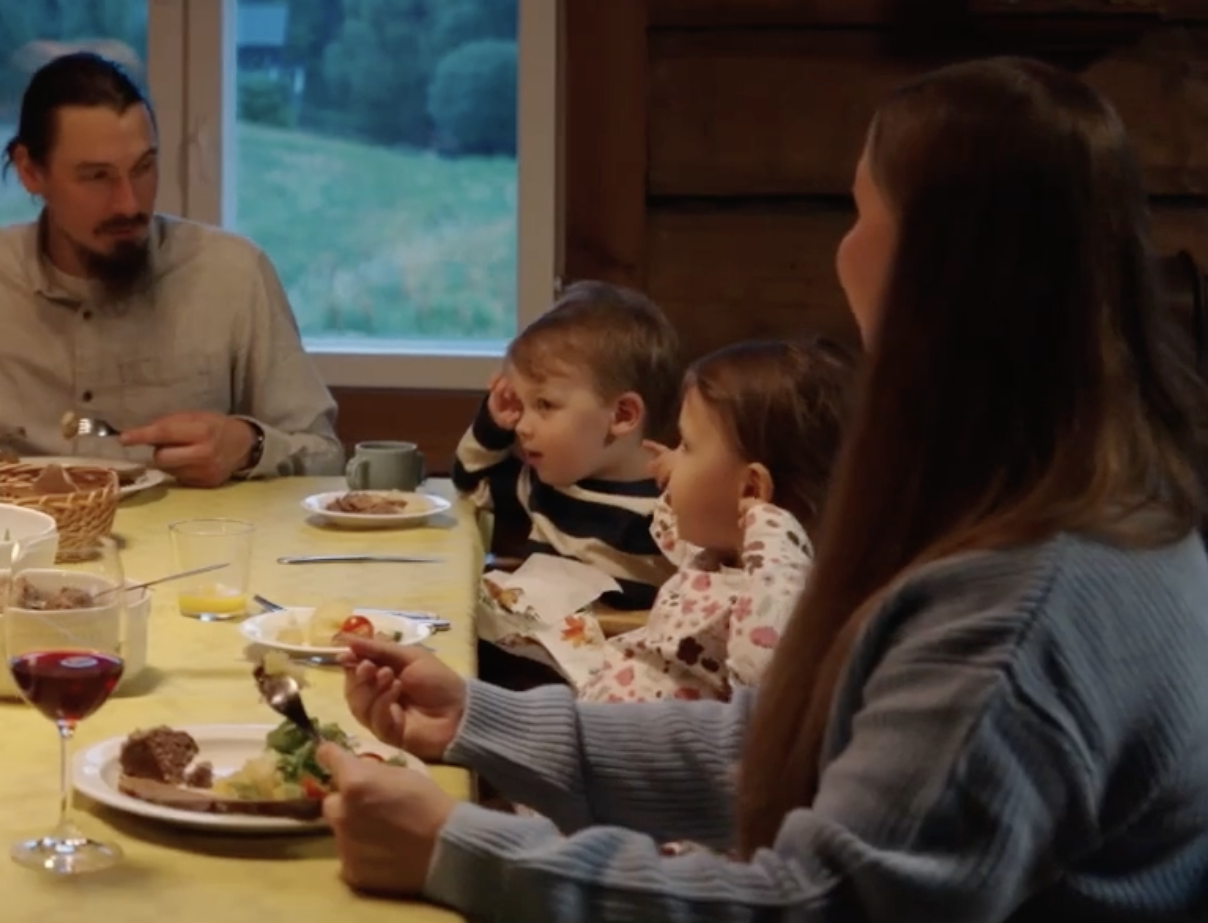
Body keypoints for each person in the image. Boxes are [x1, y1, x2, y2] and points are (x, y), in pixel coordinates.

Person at [315, 57, 1208, 920]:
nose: (842, 249)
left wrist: (459, 851)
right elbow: (795, 750)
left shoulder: (1021, 606)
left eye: (861, 212)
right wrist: (488, 720)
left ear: (942, 265)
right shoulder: (1088, 501)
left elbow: (822, 903)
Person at [0, 52, 343, 486]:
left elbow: (324, 455)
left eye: (143, 168)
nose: (129, 202)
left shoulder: (233, 275)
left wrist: (248, 446)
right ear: (30, 171)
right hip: (12, 554)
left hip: (190, 554)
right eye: (96, 176)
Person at [579, 338, 851, 704]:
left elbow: (760, 670)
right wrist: (675, 467)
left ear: (751, 489)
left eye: (687, 445)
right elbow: (673, 522)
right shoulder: (712, 552)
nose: (676, 458)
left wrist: (769, 527)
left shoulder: (774, 590)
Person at [453, 280, 682, 611]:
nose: (522, 425)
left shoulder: (674, 509)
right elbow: (471, 480)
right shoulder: (546, 486)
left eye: (544, 405)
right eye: (521, 405)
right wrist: (492, 422)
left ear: (621, 414)